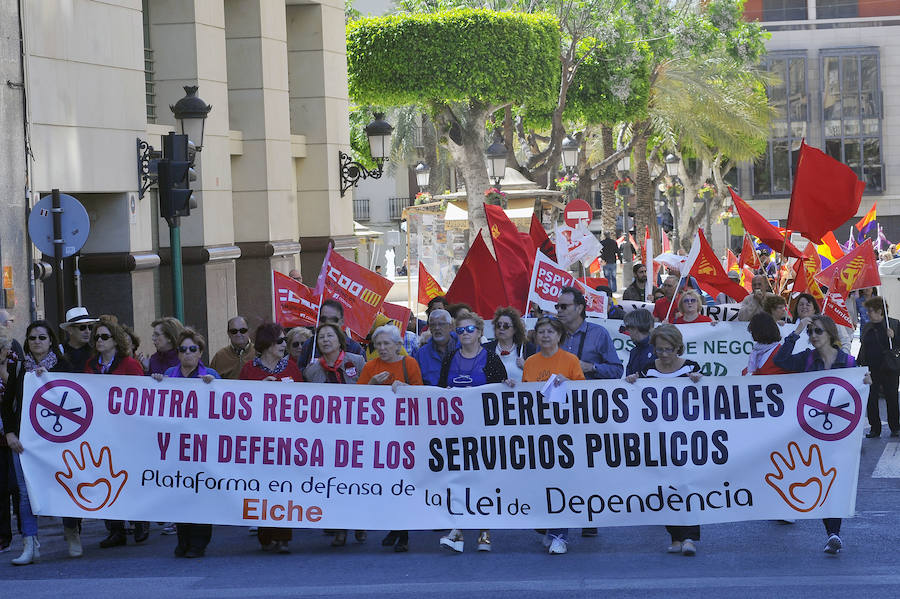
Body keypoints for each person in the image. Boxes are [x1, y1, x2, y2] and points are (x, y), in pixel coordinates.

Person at [774, 314, 870, 554]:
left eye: (818, 331)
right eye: (811, 332)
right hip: (809, 432)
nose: (813, 336)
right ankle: (826, 529)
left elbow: (857, 397)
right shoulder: (807, 359)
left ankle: (833, 533)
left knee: (834, 483)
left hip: (838, 436)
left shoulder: (848, 363)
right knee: (818, 480)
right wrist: (796, 331)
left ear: (830, 334)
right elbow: (780, 360)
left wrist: (866, 382)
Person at [2, 321, 82, 564]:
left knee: (65, 486)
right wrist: (10, 434)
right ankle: (30, 543)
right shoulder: (18, 369)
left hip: (58, 440)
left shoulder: (64, 366)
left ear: (51, 341)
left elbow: (78, 396)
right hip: (25, 441)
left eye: (42, 337)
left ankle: (72, 532)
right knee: (26, 494)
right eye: (32, 337)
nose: (37, 341)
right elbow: (7, 404)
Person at [625, 325, 703, 556]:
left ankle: (689, 537)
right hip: (658, 437)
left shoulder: (691, 367)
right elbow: (637, 396)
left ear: (678, 348)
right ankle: (675, 537)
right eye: (659, 350)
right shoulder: (648, 370)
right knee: (666, 487)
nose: (664, 354)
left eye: (668, 349)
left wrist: (700, 381)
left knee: (686, 485)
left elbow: (705, 397)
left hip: (687, 436)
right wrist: (631, 381)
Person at [437, 311, 508, 553]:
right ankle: (457, 530)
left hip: (484, 430)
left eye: (470, 330)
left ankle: (484, 531)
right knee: (458, 480)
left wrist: (508, 386)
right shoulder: (449, 358)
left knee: (482, 480)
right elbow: (440, 391)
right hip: (456, 430)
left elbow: (501, 392)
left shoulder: (491, 359)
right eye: (460, 330)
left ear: (479, 333)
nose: (465, 334)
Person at [151, 328, 219, 557]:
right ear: (178, 353)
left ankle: (199, 543)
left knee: (200, 493)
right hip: (176, 446)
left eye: (193, 349)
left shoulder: (210, 375)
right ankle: (183, 540)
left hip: (202, 446)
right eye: (183, 350)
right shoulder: (170, 374)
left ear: (200, 353)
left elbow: (223, 408)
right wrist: (158, 383)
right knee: (181, 494)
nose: (188, 354)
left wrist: (213, 387)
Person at [521, 316, 585, 554]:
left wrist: (569, 382)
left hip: (565, 432)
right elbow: (525, 395)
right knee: (541, 483)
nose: (545, 336)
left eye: (550, 332)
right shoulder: (530, 362)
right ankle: (549, 528)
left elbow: (584, 393)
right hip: (538, 432)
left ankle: (561, 535)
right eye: (541, 332)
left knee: (561, 483)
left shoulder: (570, 360)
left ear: (559, 336)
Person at [302, 321, 368, 548]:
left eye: (330, 336)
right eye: (321, 337)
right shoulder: (312, 370)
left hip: (356, 433)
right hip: (328, 436)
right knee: (334, 483)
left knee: (355, 481)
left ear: (340, 340)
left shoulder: (357, 361)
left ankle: (360, 523)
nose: (325, 340)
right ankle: (339, 529)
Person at [358, 325, 423, 553]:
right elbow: (357, 401)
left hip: (405, 434)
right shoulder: (370, 367)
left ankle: (403, 533)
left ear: (398, 345)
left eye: (387, 344)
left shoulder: (409, 364)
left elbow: (421, 395)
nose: (383, 348)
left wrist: (406, 388)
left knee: (404, 483)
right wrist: (372, 385)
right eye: (379, 344)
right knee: (388, 484)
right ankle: (395, 528)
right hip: (380, 436)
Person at [240, 323, 303, 553]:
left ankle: (284, 536)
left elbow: (304, 402)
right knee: (262, 486)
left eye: (285, 341)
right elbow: (239, 403)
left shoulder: (292, 369)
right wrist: (258, 389)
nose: (284, 345)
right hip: (258, 440)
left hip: (286, 440)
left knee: (283, 487)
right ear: (266, 344)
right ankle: (266, 534)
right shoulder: (249, 370)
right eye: (280, 341)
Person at [84, 317, 147, 549]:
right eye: (96, 337)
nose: (99, 340)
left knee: (128, 477)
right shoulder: (91, 365)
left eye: (104, 336)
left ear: (115, 340)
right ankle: (115, 528)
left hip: (126, 432)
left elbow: (142, 398)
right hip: (100, 431)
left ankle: (140, 520)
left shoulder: (130, 365)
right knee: (105, 477)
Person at [556, 286, 622, 380]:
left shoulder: (599, 334)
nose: (559, 310)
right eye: (557, 306)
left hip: (588, 393)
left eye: (564, 307)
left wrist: (591, 367)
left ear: (579, 308)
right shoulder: (551, 333)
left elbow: (617, 371)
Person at [858, 297, 900, 438]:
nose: (868, 314)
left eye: (870, 311)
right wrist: (859, 364)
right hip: (871, 368)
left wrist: (894, 337)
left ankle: (895, 427)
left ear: (880, 311)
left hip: (889, 368)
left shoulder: (893, 323)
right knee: (871, 399)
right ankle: (874, 428)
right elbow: (863, 346)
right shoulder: (868, 326)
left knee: (892, 398)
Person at [297, 300, 364, 365]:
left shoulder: (355, 348)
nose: (328, 323)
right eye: (323, 319)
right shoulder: (310, 345)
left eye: (333, 320)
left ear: (342, 321)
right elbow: (300, 372)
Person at [482, 307, 535, 382]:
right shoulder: (485, 349)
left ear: (515, 329)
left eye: (506, 326)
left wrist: (526, 368)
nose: (501, 328)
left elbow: (537, 377)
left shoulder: (527, 348)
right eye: (498, 325)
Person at [415, 309, 458, 386]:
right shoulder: (421, 354)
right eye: (433, 325)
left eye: (441, 324)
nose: (437, 328)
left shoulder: (464, 348)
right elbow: (414, 383)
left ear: (450, 326)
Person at [59, 307, 98, 372]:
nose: (87, 331)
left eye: (90, 327)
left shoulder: (95, 353)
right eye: (82, 327)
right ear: (70, 330)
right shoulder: (58, 351)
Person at [622, 309, 656, 377]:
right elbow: (628, 377)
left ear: (636, 327)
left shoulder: (658, 349)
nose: (628, 332)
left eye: (628, 328)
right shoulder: (633, 352)